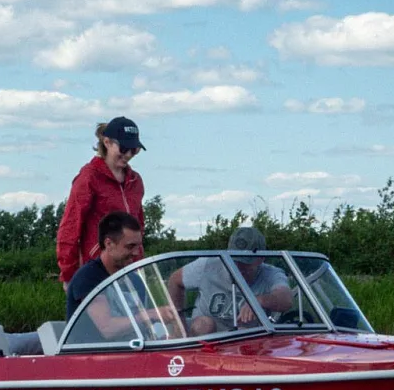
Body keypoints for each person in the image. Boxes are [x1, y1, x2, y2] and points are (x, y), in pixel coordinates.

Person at [56, 116, 146, 292]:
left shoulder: (135, 181)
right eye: (124, 148)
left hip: (130, 270)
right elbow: (70, 228)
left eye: (134, 150)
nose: (128, 154)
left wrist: (140, 263)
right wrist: (69, 274)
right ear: (107, 143)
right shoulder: (89, 178)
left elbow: (139, 225)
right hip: (97, 270)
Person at [66, 212, 177, 341]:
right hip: (93, 355)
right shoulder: (88, 277)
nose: (136, 253)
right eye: (130, 246)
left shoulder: (134, 279)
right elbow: (107, 328)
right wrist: (150, 315)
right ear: (108, 244)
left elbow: (145, 326)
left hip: (132, 351)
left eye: (138, 246)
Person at [166, 226, 293, 335]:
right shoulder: (208, 265)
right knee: (204, 324)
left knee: (243, 331)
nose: (238, 267)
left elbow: (285, 299)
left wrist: (259, 301)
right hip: (206, 340)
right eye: (233, 260)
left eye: (245, 262)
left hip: (245, 339)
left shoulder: (271, 274)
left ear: (261, 258)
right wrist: (178, 325)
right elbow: (174, 281)